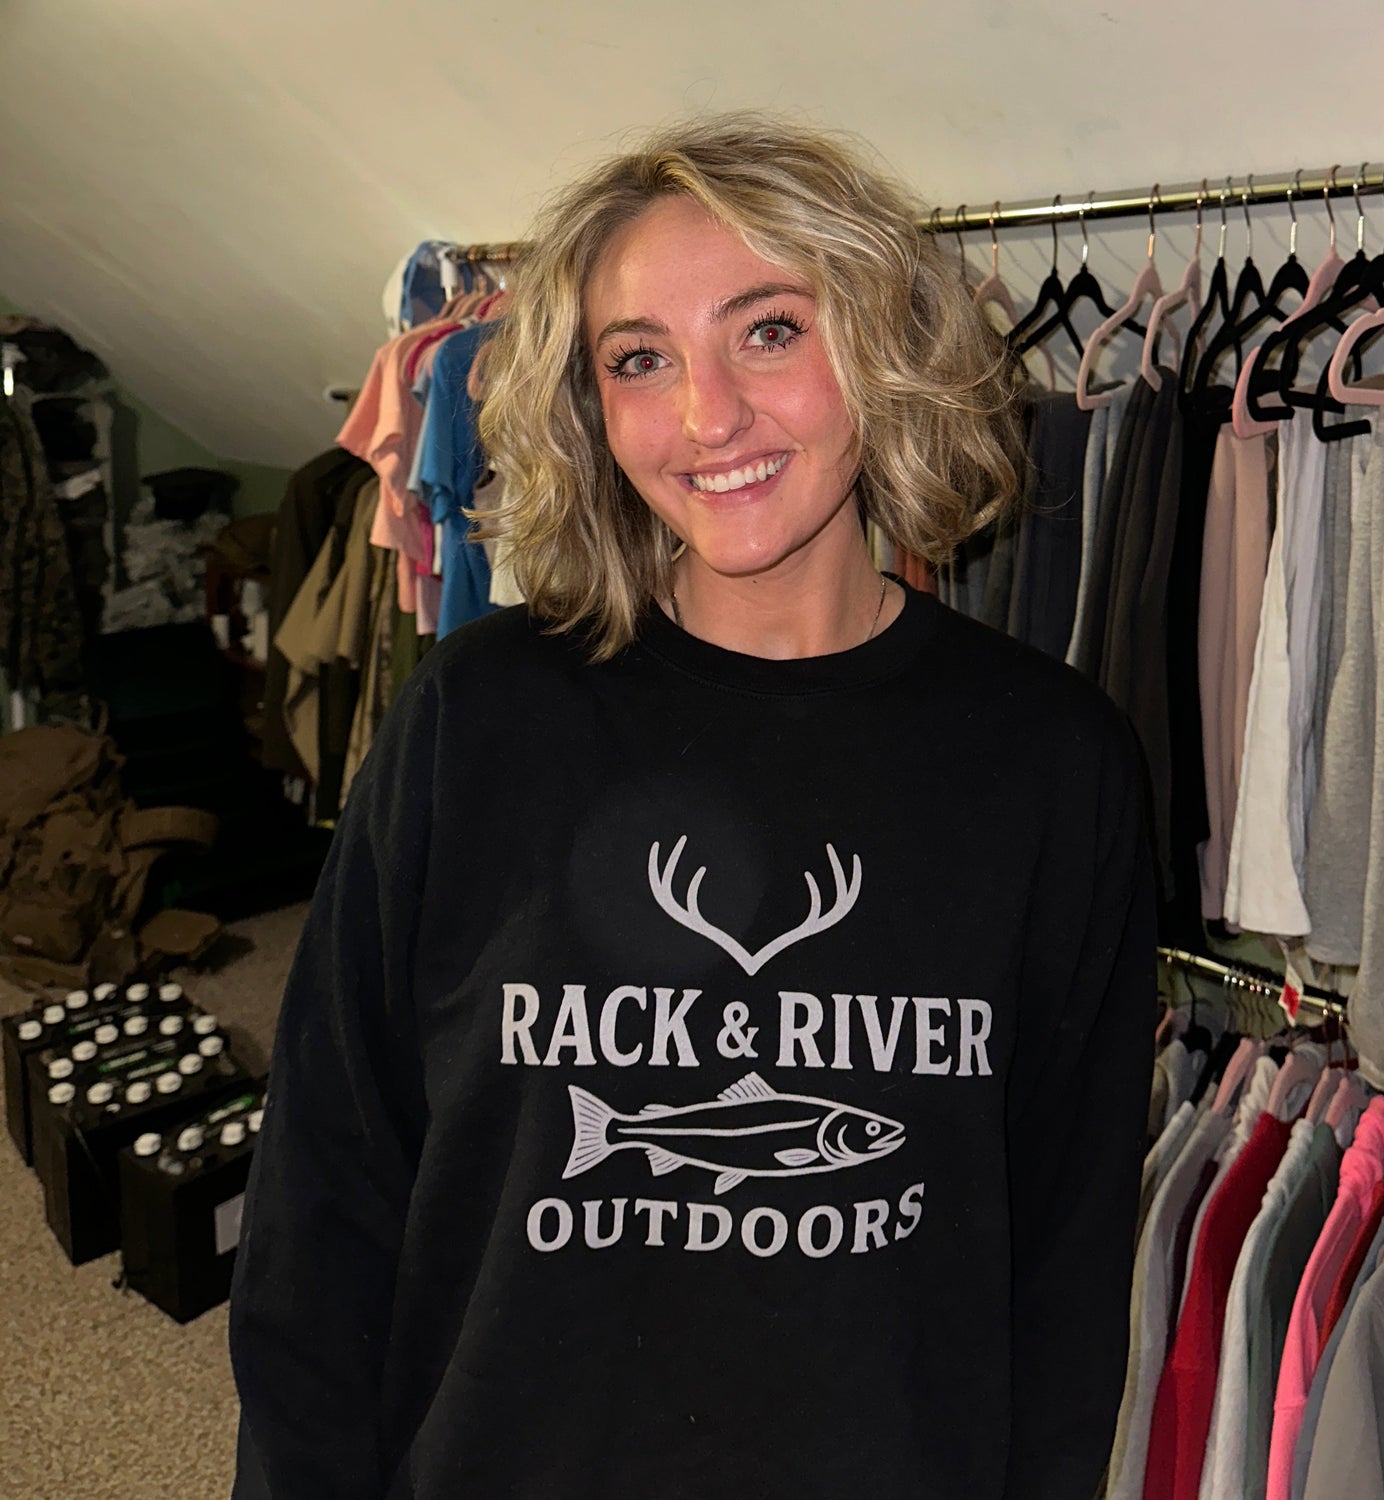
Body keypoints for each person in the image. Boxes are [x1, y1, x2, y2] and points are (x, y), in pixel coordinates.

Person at [229, 112, 1157, 1499]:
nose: (706, 416)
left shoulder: (1052, 761)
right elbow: (326, 1191)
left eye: (769, 332)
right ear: (590, 405)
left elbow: (1069, 1255)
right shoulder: (477, 720)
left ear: (881, 343)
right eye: (639, 360)